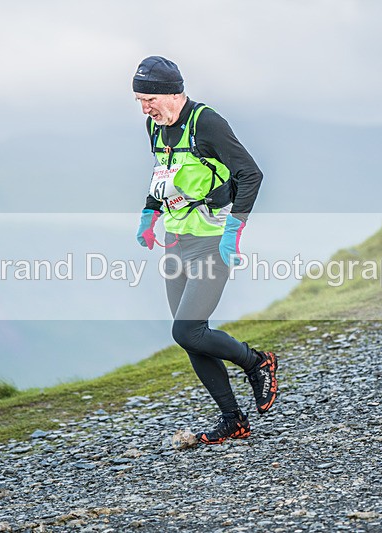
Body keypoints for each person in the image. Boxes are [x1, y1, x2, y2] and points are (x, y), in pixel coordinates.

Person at [133, 56, 279, 445]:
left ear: (172, 93)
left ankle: (257, 361)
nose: (144, 108)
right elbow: (161, 176)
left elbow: (251, 174)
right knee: (190, 335)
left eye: (149, 99)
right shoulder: (155, 126)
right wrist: (149, 213)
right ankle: (234, 421)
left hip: (212, 242)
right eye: (138, 101)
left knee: (187, 328)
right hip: (176, 242)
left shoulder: (206, 123)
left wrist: (235, 228)